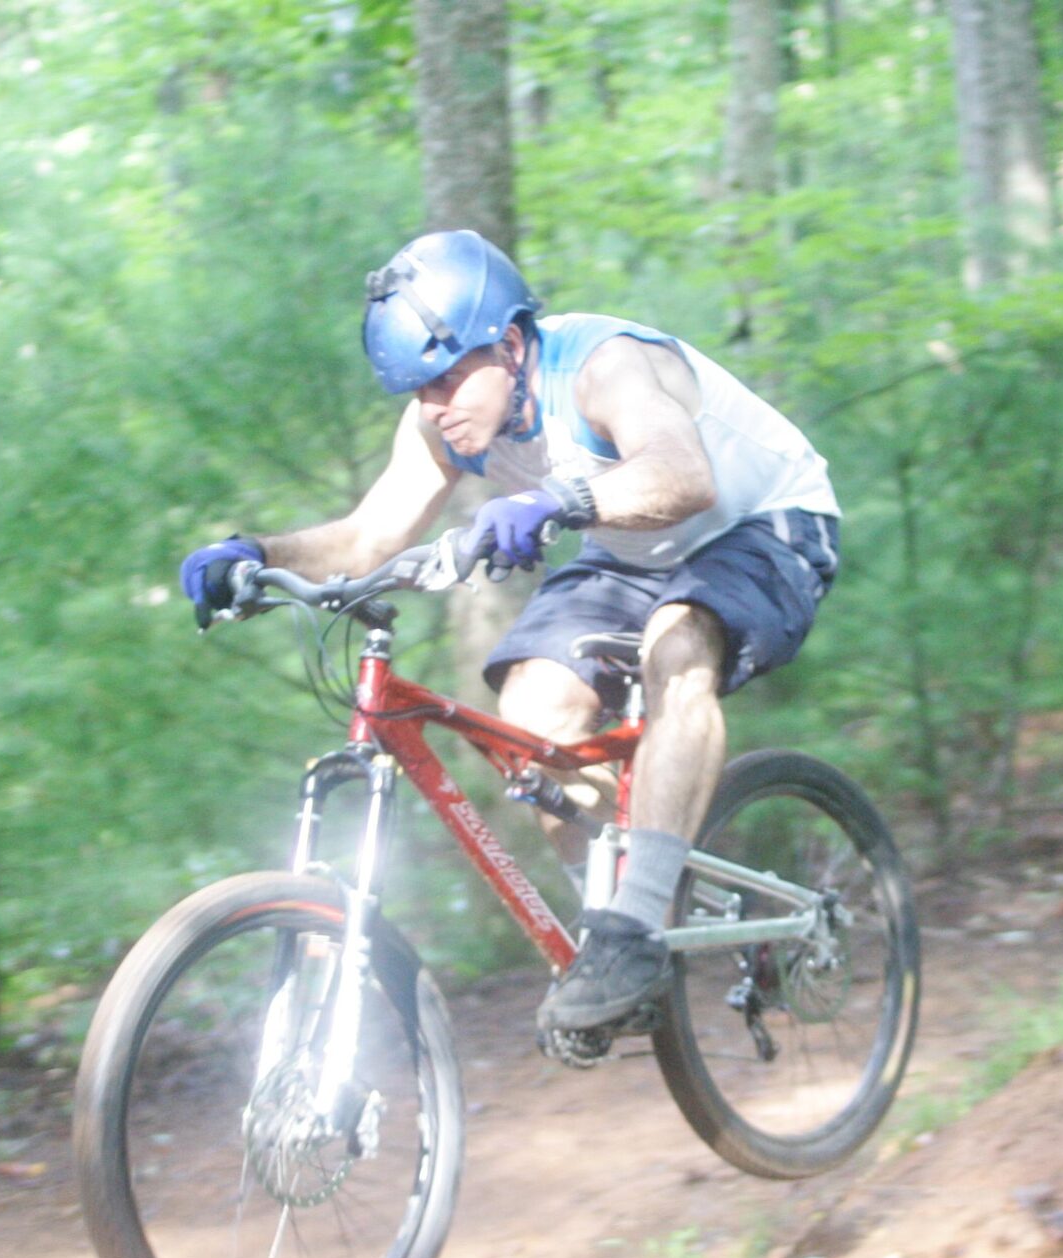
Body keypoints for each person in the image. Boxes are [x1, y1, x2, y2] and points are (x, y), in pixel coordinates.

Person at [179, 229, 842, 1037]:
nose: (437, 405)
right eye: (420, 389)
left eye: (452, 377)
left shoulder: (604, 367)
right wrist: (254, 554)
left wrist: (557, 501)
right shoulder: (442, 425)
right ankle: (615, 930)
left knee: (679, 642)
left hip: (767, 523)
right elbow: (365, 537)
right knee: (532, 714)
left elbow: (683, 476)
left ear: (514, 344)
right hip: (632, 548)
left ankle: (634, 929)